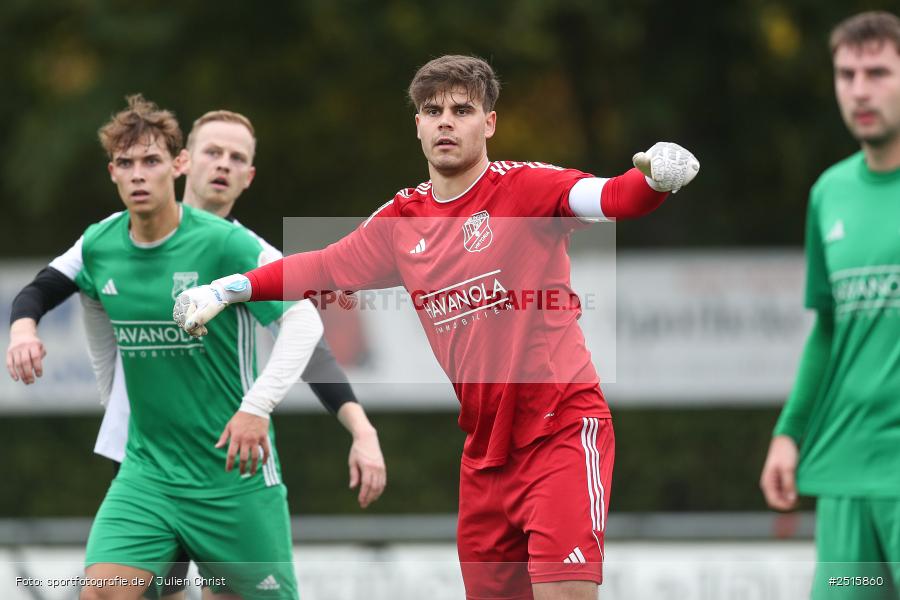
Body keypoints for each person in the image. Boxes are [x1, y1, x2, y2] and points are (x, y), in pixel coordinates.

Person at [174, 55, 699, 600]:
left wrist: (655, 181)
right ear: (418, 125)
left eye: (462, 109)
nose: (446, 120)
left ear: (489, 122)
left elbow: (612, 196)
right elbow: (323, 268)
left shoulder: (526, 189)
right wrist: (227, 289)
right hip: (484, 455)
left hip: (560, 428)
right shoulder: (403, 220)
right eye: (433, 110)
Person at [7, 94, 368, 600]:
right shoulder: (103, 241)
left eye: (237, 157)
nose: (222, 164)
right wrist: (24, 327)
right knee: (113, 592)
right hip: (145, 466)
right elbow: (48, 289)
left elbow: (307, 327)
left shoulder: (234, 246)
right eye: (212, 151)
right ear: (186, 162)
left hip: (228, 471)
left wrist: (348, 423)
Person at [759, 11, 900, 599]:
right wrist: (789, 433)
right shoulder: (829, 193)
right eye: (846, 74)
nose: (859, 90)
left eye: (877, 72)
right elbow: (829, 329)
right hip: (844, 474)